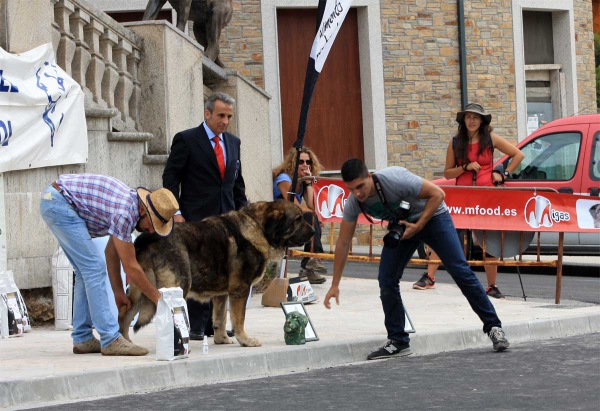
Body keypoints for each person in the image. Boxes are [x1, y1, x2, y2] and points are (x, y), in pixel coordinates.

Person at [323, 158, 510, 360]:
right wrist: (335, 284)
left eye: (360, 186)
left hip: (433, 218)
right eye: (352, 189)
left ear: (369, 176)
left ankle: (494, 328)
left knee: (460, 271)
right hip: (403, 226)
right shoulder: (354, 202)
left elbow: (438, 194)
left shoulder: (395, 179)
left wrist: (419, 225)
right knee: (386, 279)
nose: (358, 193)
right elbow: (342, 243)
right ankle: (398, 340)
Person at [40, 174, 179, 355]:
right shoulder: (124, 213)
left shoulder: (130, 208)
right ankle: (110, 339)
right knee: (93, 268)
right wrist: (159, 299)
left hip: (56, 200)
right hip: (59, 202)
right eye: (152, 224)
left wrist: (119, 292)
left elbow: (111, 253)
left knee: (86, 271)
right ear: (144, 211)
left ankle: (82, 338)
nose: (151, 231)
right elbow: (131, 267)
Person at [413, 103, 524, 299]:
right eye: (468, 117)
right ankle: (429, 277)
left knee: (489, 241)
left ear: (482, 121)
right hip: (462, 197)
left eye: (476, 117)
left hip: (486, 197)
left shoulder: (490, 139)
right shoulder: (455, 142)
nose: (472, 121)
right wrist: (464, 167)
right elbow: (448, 173)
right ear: (463, 121)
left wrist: (504, 174)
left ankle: (492, 286)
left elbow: (518, 154)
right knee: (445, 234)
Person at [163, 91, 246, 340]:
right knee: (200, 270)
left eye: (229, 116)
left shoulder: (233, 143)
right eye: (221, 115)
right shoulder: (187, 140)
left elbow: (236, 183)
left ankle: (215, 325)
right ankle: (196, 326)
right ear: (207, 113)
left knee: (224, 270)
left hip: (228, 221)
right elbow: (171, 177)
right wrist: (175, 212)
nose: (225, 121)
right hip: (195, 220)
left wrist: (244, 216)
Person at [273, 146, 327, 284]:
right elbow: (295, 206)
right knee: (310, 217)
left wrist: (308, 183)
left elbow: (312, 205)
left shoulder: (302, 181)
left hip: (292, 220)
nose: (305, 165)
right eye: (301, 162)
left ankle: (310, 263)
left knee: (311, 217)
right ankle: (312, 260)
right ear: (293, 163)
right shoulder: (284, 178)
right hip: (277, 222)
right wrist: (315, 214)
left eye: (308, 162)